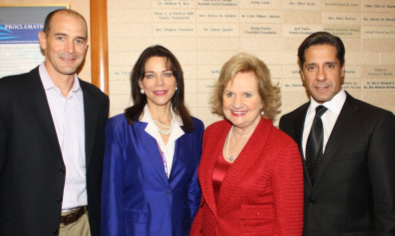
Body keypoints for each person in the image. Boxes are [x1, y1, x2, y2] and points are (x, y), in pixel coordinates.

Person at [0, 9, 109, 236]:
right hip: (24, 228)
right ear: (43, 40)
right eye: (61, 38)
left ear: (86, 46)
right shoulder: (8, 94)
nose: (70, 49)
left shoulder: (97, 101)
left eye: (78, 40)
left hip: (84, 226)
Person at [279, 31, 395, 235]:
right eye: (312, 67)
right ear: (302, 73)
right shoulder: (288, 122)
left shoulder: (376, 121)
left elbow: (388, 207)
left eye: (329, 66)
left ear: (342, 69)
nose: (320, 76)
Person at [190, 53, 304, 235]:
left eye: (247, 95)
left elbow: (289, 227)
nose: (237, 103)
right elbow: (207, 204)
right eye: (230, 94)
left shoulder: (283, 149)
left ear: (263, 100)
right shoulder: (212, 133)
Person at [101, 45, 204, 236]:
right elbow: (111, 197)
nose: (159, 83)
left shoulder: (194, 129)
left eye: (166, 74)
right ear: (140, 83)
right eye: (150, 75)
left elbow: (193, 193)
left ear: (177, 81)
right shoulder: (120, 127)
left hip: (179, 229)